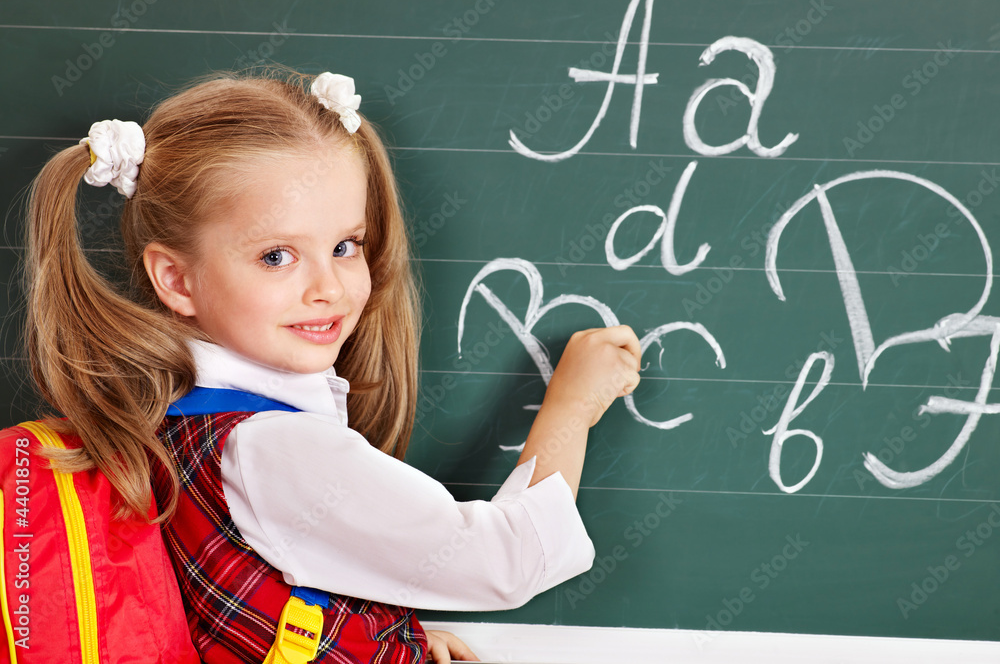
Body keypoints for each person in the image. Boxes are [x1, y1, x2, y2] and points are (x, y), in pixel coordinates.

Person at [24, 68, 642, 663]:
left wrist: (388, 636)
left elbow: (278, 585)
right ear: (176, 279)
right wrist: (572, 408)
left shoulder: (183, 420)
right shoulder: (277, 448)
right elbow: (509, 562)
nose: (330, 287)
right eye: (276, 256)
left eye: (346, 246)